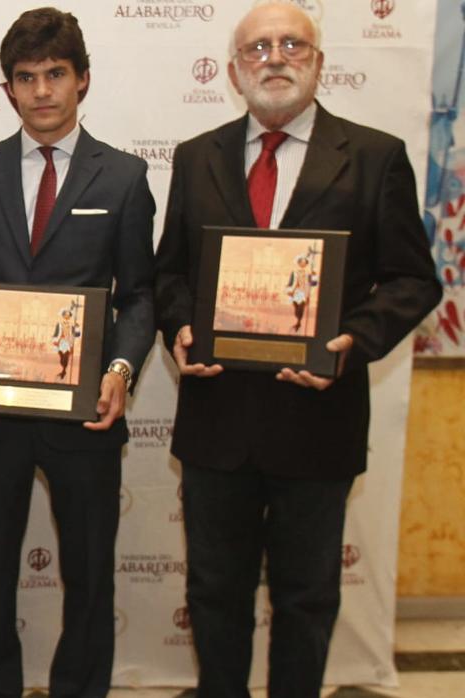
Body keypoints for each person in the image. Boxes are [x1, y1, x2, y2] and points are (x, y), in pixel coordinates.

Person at [153, 2, 442, 694]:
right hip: (218, 421)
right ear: (233, 70)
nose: (273, 58)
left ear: (319, 61)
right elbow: (168, 274)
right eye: (256, 48)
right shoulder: (197, 158)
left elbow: (412, 281)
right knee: (215, 593)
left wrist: (350, 344)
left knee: (306, 600)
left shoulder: (374, 157)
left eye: (291, 44)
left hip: (318, 420)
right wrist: (181, 326)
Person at [0, 8, 156, 697]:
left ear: (82, 80)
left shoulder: (123, 176)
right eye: (26, 78)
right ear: (8, 88)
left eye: (55, 74)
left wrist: (121, 369)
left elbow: (141, 295)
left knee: (91, 573)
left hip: (83, 410)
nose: (41, 91)